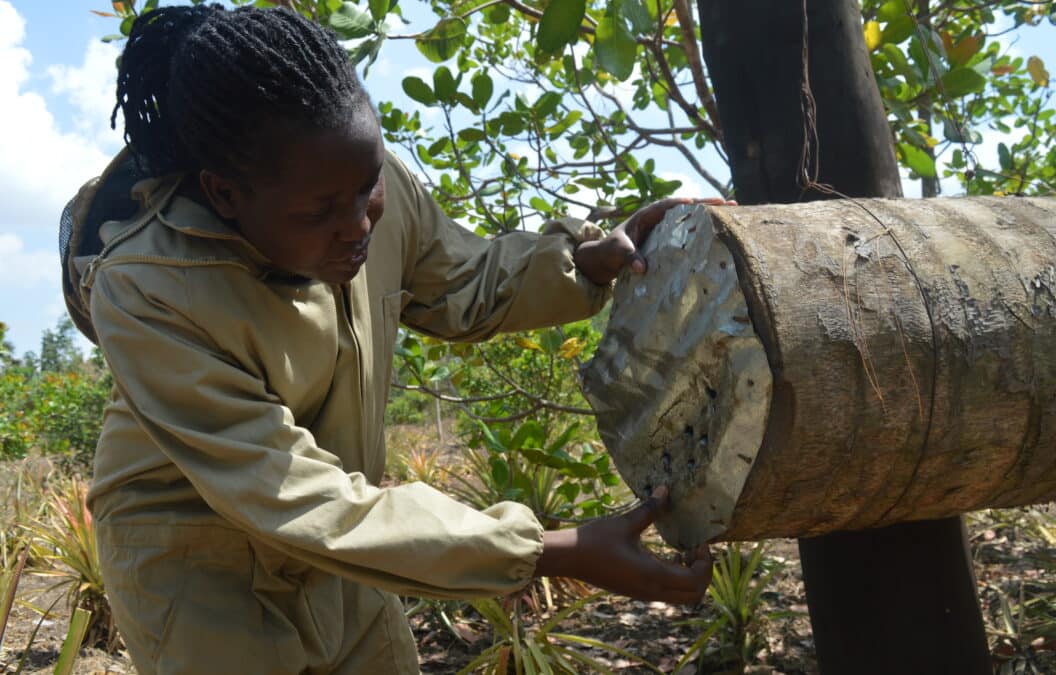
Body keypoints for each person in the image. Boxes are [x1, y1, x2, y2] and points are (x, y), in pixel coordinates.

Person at [66, 4, 723, 673]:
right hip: (199, 566)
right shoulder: (149, 287)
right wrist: (552, 548)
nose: (358, 226)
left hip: (354, 542)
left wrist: (586, 261)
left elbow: (464, 281)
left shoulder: (357, 184)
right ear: (225, 194)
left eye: (368, 185)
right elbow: (287, 491)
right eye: (320, 212)